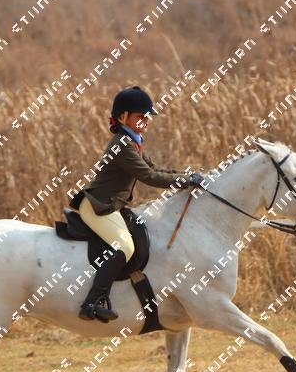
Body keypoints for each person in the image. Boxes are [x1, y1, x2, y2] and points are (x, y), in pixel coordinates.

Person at [69, 86, 205, 323]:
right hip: (98, 207)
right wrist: (187, 180)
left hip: (111, 206)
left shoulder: (132, 141)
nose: (147, 120)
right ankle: (92, 303)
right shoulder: (122, 145)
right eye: (141, 116)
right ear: (123, 116)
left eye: (148, 116)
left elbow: (155, 169)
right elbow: (149, 177)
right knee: (124, 246)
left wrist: (188, 176)